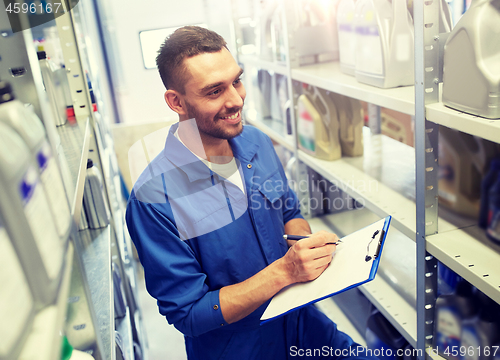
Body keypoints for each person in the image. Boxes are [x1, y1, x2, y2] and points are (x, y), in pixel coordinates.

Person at [126, 26, 375, 360]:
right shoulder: (153, 200)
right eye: (215, 91)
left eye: (237, 81)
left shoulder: (255, 142)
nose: (236, 100)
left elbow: (288, 213)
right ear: (177, 102)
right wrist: (285, 271)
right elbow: (188, 313)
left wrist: (304, 246)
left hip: (300, 324)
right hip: (238, 349)